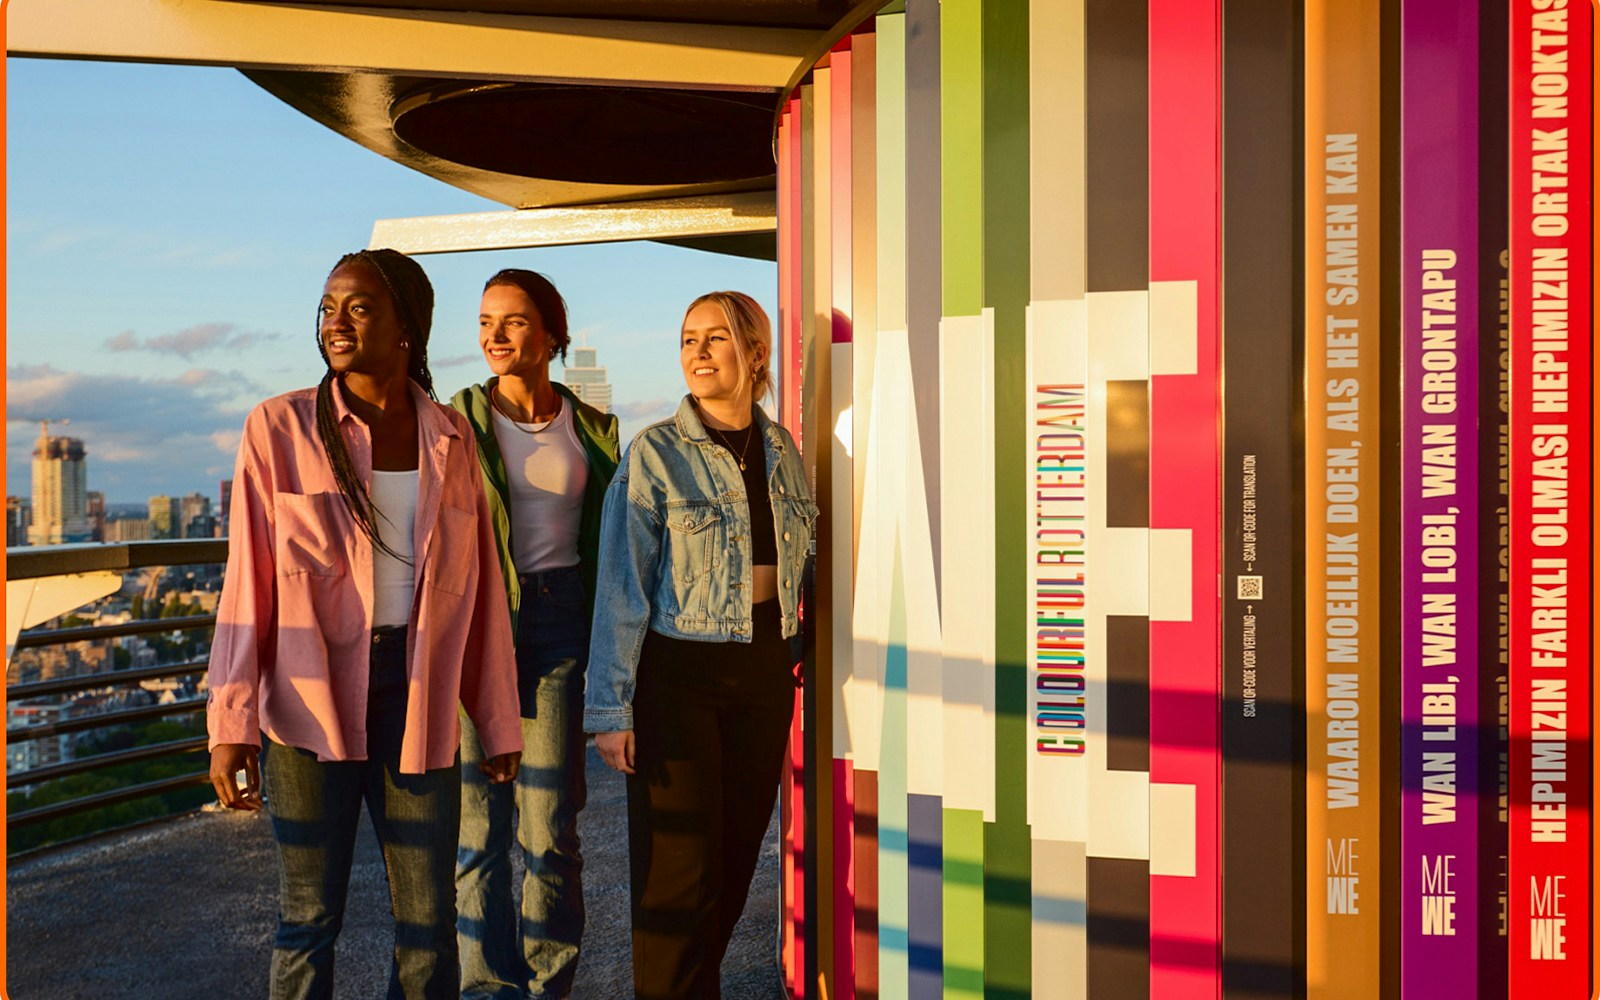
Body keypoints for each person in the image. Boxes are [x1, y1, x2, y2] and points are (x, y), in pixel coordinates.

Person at [206, 248, 524, 1000]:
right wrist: (231, 720)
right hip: (307, 706)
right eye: (327, 307)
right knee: (309, 917)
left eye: (358, 306)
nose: (336, 322)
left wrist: (498, 720)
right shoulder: (279, 427)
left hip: (416, 700)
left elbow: (476, 590)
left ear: (407, 326)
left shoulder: (451, 435)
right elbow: (247, 581)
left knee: (428, 923)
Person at [585, 291, 818, 1000]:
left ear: (756, 354)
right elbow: (622, 585)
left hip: (762, 667)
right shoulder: (655, 454)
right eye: (688, 338)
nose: (698, 351)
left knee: (734, 862)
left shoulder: (783, 451)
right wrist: (611, 708)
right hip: (678, 673)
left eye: (716, 338)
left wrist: (799, 642)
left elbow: (805, 560)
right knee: (677, 869)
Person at [451, 269, 620, 1000]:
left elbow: (615, 534)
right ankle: (486, 988)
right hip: (475, 628)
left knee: (549, 830)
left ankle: (550, 986)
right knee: (477, 835)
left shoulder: (592, 426)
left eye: (515, 321)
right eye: (486, 320)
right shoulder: (454, 419)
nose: (495, 334)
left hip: (559, 624)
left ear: (552, 333)